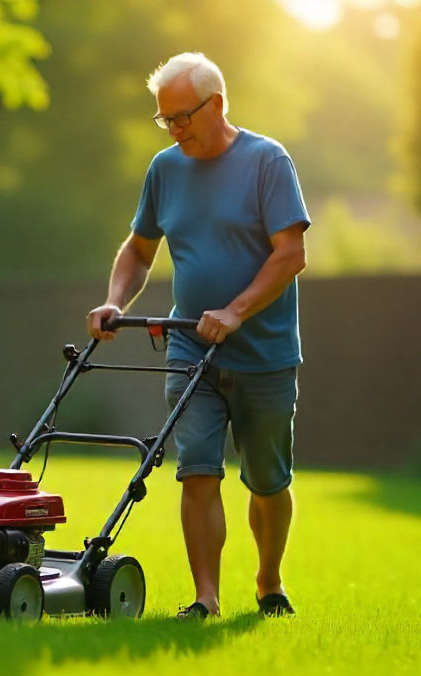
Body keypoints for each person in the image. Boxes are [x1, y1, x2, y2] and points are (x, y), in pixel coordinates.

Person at [85, 52, 310, 619]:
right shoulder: (165, 169)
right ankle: (205, 599)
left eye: (183, 117)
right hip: (191, 348)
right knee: (198, 472)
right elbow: (139, 250)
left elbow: (291, 255)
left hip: (264, 353)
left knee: (267, 482)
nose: (175, 129)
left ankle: (268, 579)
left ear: (217, 104)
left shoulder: (267, 161)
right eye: (165, 120)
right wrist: (115, 301)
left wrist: (236, 311)